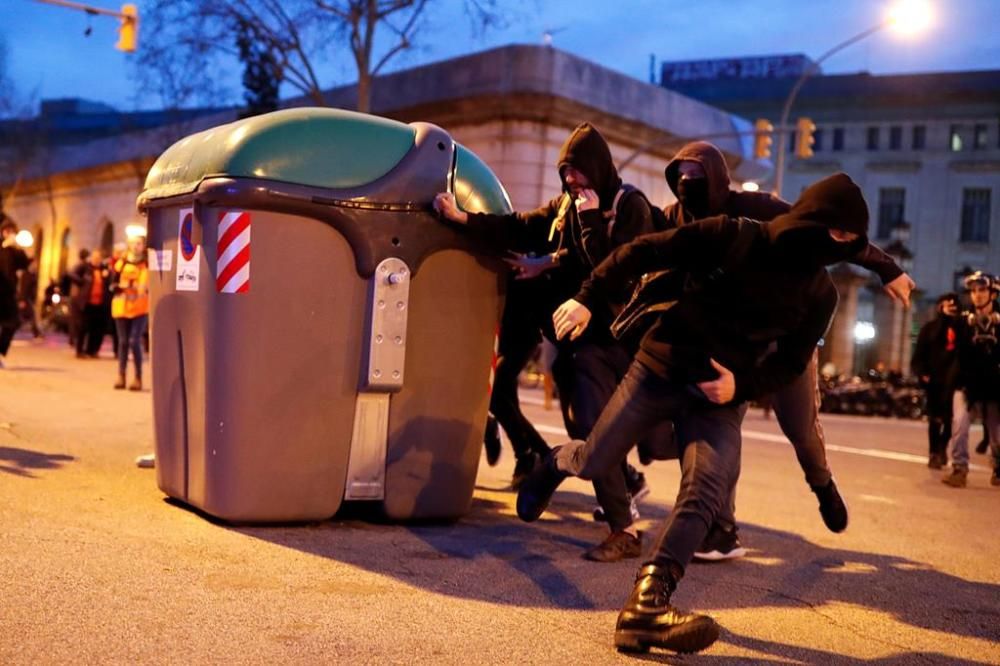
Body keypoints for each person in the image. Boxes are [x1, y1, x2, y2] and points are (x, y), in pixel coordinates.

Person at [517, 172, 869, 654]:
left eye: (851, 241)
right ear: (815, 222)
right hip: (660, 368)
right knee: (596, 461)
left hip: (718, 399)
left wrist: (739, 386)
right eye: (841, 234)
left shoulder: (820, 296)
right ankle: (556, 461)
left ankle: (647, 605)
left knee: (705, 487)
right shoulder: (734, 235)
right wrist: (585, 298)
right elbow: (642, 251)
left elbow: (790, 363)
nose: (843, 247)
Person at [659, 142, 914, 560]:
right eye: (681, 177)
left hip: (786, 336)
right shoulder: (673, 218)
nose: (688, 185)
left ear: (717, 177)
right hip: (731, 340)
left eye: (697, 177)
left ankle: (822, 483)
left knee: (801, 428)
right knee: (721, 427)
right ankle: (722, 529)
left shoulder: (757, 207)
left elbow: (831, 229)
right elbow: (642, 245)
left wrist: (887, 266)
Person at [435, 122, 659, 562]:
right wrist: (463, 219)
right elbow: (520, 227)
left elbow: (614, 273)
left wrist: (592, 221)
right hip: (579, 342)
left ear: (598, 168)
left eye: (579, 173)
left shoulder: (628, 207)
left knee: (613, 430)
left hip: (619, 339)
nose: (573, 182)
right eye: (566, 174)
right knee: (586, 428)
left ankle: (628, 516)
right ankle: (622, 502)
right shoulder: (567, 208)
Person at [941, 272, 1000, 488]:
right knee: (960, 424)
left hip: (994, 384)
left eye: (982, 290)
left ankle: (999, 468)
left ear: (993, 293)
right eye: (973, 291)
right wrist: (945, 318)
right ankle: (959, 468)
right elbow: (949, 347)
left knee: (996, 432)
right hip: (966, 381)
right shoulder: (962, 321)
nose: (977, 295)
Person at [910, 292, 960, 469]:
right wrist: (922, 373)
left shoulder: (961, 328)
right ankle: (933, 452)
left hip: (954, 383)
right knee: (934, 419)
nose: (951, 308)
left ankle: (942, 449)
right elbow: (919, 354)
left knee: (949, 420)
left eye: (954, 305)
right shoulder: (930, 328)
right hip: (934, 381)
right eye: (947, 304)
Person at [111, 234, 149, 391]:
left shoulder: (147, 263)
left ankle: (138, 377)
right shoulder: (121, 263)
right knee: (123, 342)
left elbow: (147, 284)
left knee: (134, 341)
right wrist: (117, 286)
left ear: (143, 246)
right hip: (122, 306)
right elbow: (112, 283)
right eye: (133, 243)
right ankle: (121, 375)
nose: (136, 246)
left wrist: (140, 288)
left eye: (139, 243)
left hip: (140, 307)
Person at [0, 219, 30, 368]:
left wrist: (18, 248)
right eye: (8, 231)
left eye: (12, 231)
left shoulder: (14, 251)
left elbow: (25, 264)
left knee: (13, 323)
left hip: (9, 293)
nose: (10, 234)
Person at [67, 248, 91, 351]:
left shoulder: (81, 265)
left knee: (75, 319)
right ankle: (73, 339)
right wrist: (82, 281)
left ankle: (73, 339)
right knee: (76, 319)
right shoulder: (82, 265)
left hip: (76, 295)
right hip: (77, 296)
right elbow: (71, 274)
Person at [18, 257, 43, 339]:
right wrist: (22, 300)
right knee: (32, 316)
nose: (35, 265)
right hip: (26, 298)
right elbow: (23, 288)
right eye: (34, 263)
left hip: (31, 299)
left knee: (23, 317)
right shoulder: (25, 274)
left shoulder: (34, 274)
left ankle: (36, 333)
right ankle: (36, 333)